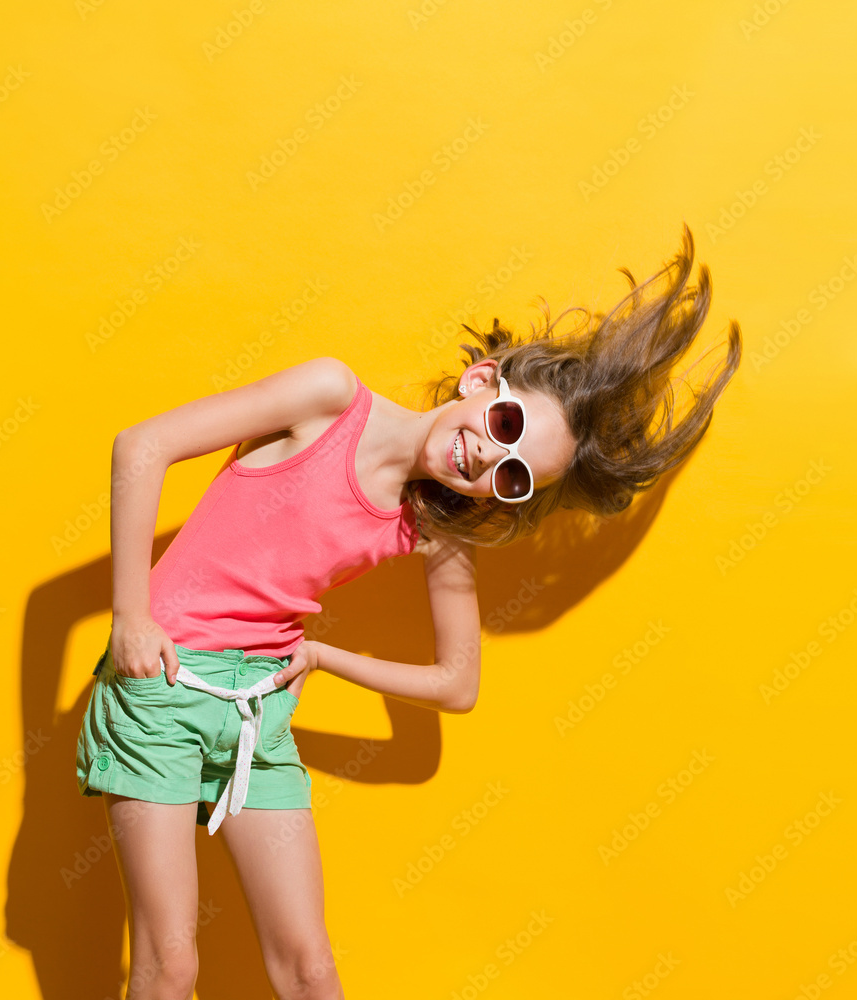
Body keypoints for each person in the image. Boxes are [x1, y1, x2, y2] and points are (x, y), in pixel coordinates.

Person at [74, 222, 741, 999]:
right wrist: (131, 615)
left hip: (259, 708)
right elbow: (141, 446)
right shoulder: (329, 397)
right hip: (162, 681)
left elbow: (458, 684)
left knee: (310, 970)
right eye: (506, 426)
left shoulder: (433, 525)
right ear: (482, 381)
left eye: (514, 476)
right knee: (170, 965)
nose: (490, 458)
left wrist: (322, 657)